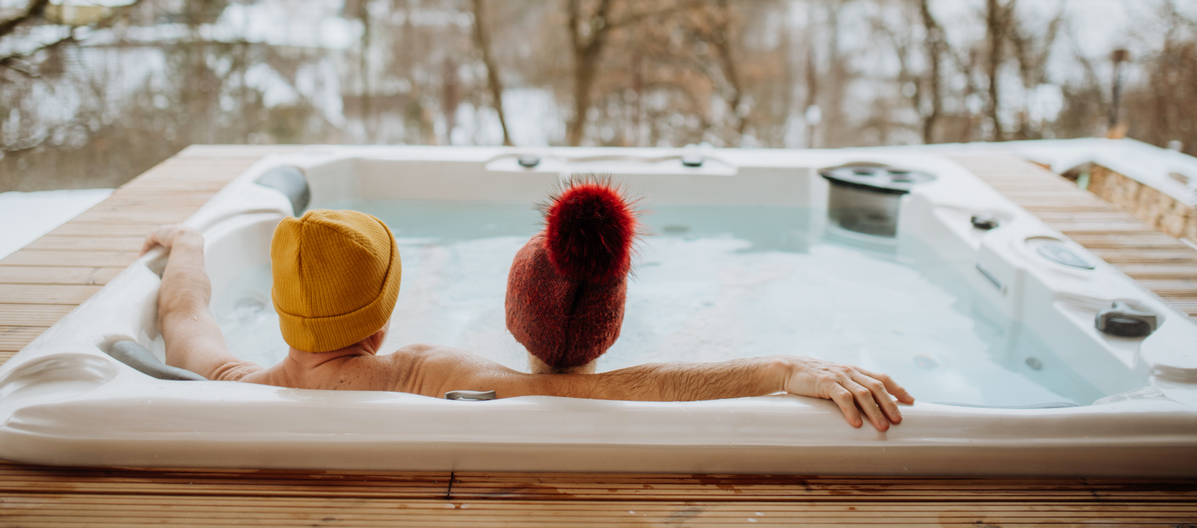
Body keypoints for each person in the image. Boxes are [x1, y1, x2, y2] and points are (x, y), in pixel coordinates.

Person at [141, 209, 914, 431]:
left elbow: (186, 310)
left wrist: (190, 242)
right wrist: (782, 369)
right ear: (381, 315)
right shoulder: (425, 374)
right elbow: (623, 391)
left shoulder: (227, 381)